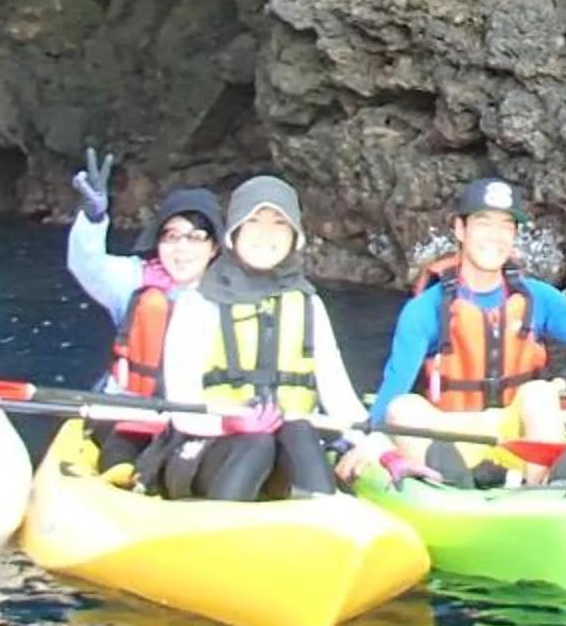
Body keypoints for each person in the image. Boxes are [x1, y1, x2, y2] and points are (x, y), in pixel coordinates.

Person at [149, 175, 391, 501]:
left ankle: (320, 517)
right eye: (253, 222)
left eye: (279, 223)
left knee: (300, 431)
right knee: (257, 441)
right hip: (206, 447)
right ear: (234, 234)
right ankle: (222, 529)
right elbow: (182, 406)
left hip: (287, 448)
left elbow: (340, 399)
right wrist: (232, 424)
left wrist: (385, 452)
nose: (266, 234)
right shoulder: (198, 304)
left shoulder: (307, 303)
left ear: (295, 236)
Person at [372, 177, 566, 486]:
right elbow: (391, 393)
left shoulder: (538, 298)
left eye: (506, 226)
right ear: (460, 230)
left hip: (517, 440)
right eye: (483, 223)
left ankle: (543, 486)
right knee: (402, 408)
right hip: (451, 437)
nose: (496, 236)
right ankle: (451, 483)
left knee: (541, 392)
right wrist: (374, 441)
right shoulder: (425, 310)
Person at [60, 147, 225, 470]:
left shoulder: (229, 296)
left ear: (214, 247)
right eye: (172, 237)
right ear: (158, 241)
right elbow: (86, 264)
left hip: (197, 417)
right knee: (123, 457)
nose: (181, 249)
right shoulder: (134, 278)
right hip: (128, 411)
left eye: (196, 238)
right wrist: (92, 219)